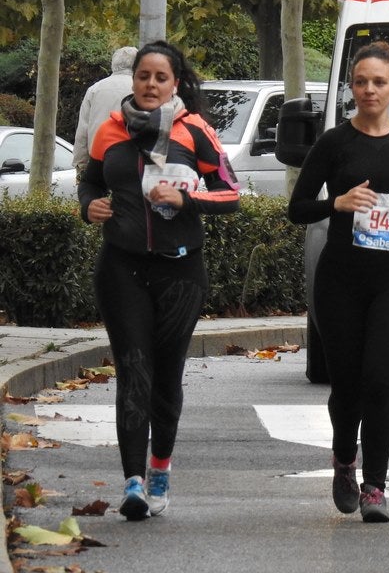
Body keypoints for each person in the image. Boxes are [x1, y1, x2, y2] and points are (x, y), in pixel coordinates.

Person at [287, 40, 389, 523]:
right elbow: (297, 208)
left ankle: (375, 486)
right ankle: (344, 459)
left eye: (378, 82)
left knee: (380, 380)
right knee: (347, 385)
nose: (368, 90)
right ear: (352, 88)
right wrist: (335, 204)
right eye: (360, 82)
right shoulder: (334, 144)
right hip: (341, 279)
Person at [77, 40, 240, 521]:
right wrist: (90, 206)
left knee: (165, 378)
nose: (150, 85)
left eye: (160, 78)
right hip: (121, 267)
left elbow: (231, 194)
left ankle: (160, 468)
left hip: (180, 270)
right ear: (133, 80)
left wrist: (187, 199)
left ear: (175, 82)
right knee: (133, 370)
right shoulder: (110, 130)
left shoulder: (195, 132)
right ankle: (132, 482)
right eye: (143, 76)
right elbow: (91, 181)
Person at [72, 46, 138, 173]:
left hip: (98, 162)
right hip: (132, 165)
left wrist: (80, 165)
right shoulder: (143, 90)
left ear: (113, 64)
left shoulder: (94, 90)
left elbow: (83, 131)